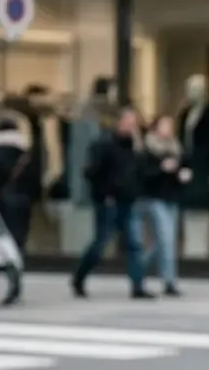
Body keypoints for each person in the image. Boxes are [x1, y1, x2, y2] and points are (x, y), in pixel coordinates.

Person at [72, 106, 153, 299]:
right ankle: (79, 277)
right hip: (109, 200)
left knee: (134, 243)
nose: (131, 127)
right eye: (128, 122)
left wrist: (140, 149)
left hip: (128, 200)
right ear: (119, 123)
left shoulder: (134, 147)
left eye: (134, 123)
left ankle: (138, 286)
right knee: (101, 243)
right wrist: (103, 194)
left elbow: (143, 172)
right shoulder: (104, 144)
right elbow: (92, 172)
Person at [138, 114, 191, 296]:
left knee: (164, 242)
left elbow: (185, 166)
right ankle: (169, 282)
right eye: (165, 125)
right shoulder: (148, 148)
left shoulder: (176, 147)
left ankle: (138, 270)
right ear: (156, 127)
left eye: (171, 125)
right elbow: (143, 174)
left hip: (171, 198)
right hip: (153, 198)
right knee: (166, 239)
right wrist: (161, 169)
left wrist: (183, 174)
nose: (169, 129)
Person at [0, 113, 35, 306]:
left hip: (2, 204)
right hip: (24, 204)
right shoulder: (26, 153)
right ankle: (15, 284)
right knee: (16, 246)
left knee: (2, 246)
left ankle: (10, 280)